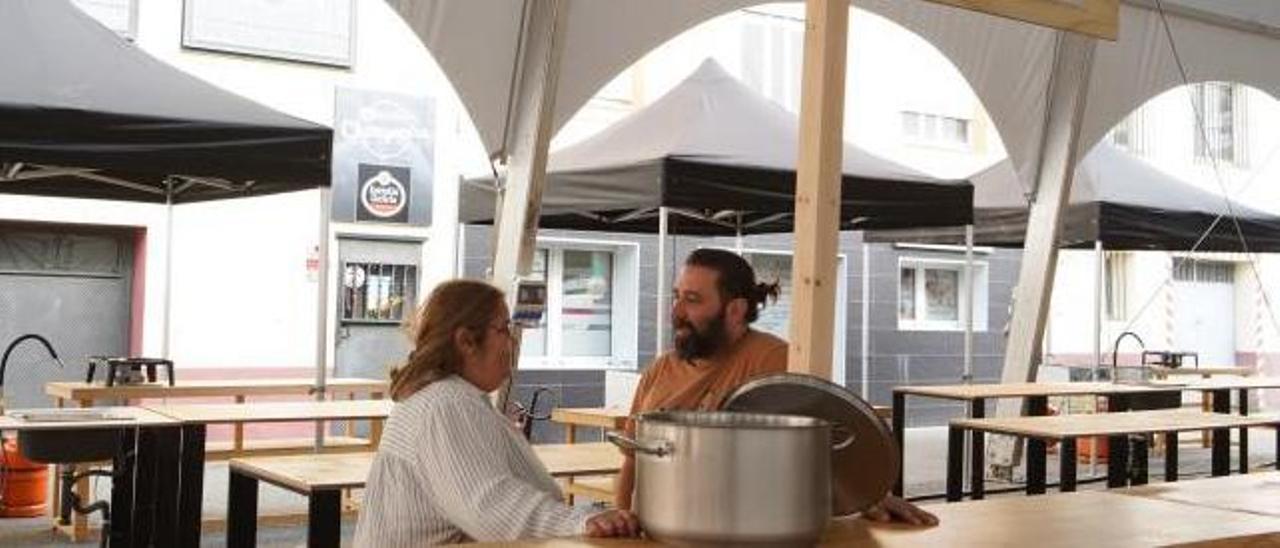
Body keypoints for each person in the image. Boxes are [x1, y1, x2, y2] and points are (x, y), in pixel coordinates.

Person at [615, 248, 938, 526]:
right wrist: (620, 520)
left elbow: (816, 452)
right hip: (659, 527)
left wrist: (866, 495)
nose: (676, 312)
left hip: (740, 530)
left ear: (736, 310)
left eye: (693, 300)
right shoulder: (660, 368)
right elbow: (631, 459)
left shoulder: (773, 361)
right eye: (676, 297)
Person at [355, 280, 640, 546]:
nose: (511, 343)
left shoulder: (445, 398)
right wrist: (584, 520)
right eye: (503, 329)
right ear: (466, 341)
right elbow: (492, 509)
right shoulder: (446, 404)